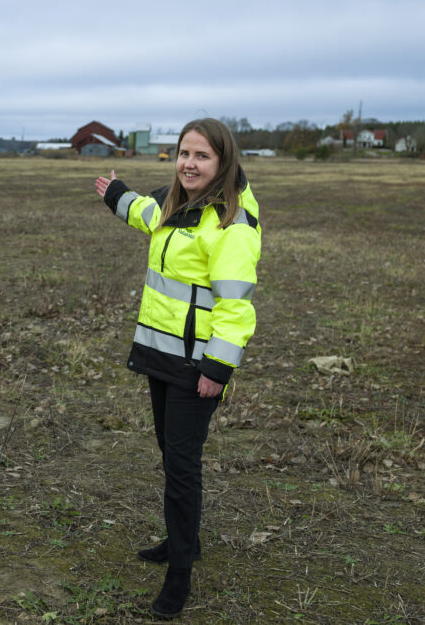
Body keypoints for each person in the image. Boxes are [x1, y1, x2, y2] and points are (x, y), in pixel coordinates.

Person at [94, 118, 261, 618]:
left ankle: (180, 576)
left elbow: (236, 308)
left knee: (182, 468)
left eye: (201, 156)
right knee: (171, 454)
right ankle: (183, 540)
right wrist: (117, 196)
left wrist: (217, 369)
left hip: (196, 367)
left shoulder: (231, 225)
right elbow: (149, 215)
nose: (189, 163)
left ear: (223, 162)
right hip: (161, 355)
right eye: (183, 153)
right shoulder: (180, 207)